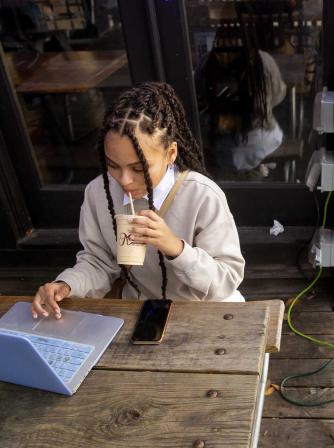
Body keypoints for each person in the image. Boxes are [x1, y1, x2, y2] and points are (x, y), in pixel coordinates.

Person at [31, 82, 245, 320]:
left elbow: (226, 278)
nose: (124, 180)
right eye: (112, 165)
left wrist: (176, 248)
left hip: (205, 310)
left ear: (171, 153)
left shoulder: (202, 195)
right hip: (142, 309)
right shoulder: (98, 192)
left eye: (138, 168)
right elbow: (99, 262)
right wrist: (67, 284)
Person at [197, 3, 286, 177]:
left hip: (222, 141)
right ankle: (256, 174)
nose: (226, 56)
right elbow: (278, 96)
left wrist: (224, 120)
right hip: (257, 139)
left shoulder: (206, 63)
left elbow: (199, 99)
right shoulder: (263, 62)